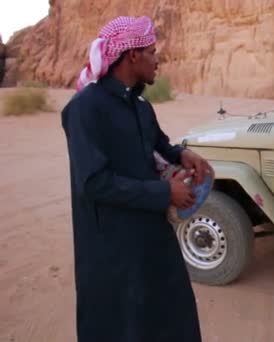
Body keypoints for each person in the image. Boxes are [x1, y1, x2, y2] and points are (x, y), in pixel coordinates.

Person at [61, 16, 208, 342]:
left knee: (169, 318)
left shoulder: (140, 104)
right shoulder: (85, 109)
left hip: (152, 238)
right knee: (120, 326)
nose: (158, 60)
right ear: (132, 56)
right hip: (111, 248)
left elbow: (157, 144)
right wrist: (164, 193)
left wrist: (182, 154)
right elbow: (94, 183)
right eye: (152, 51)